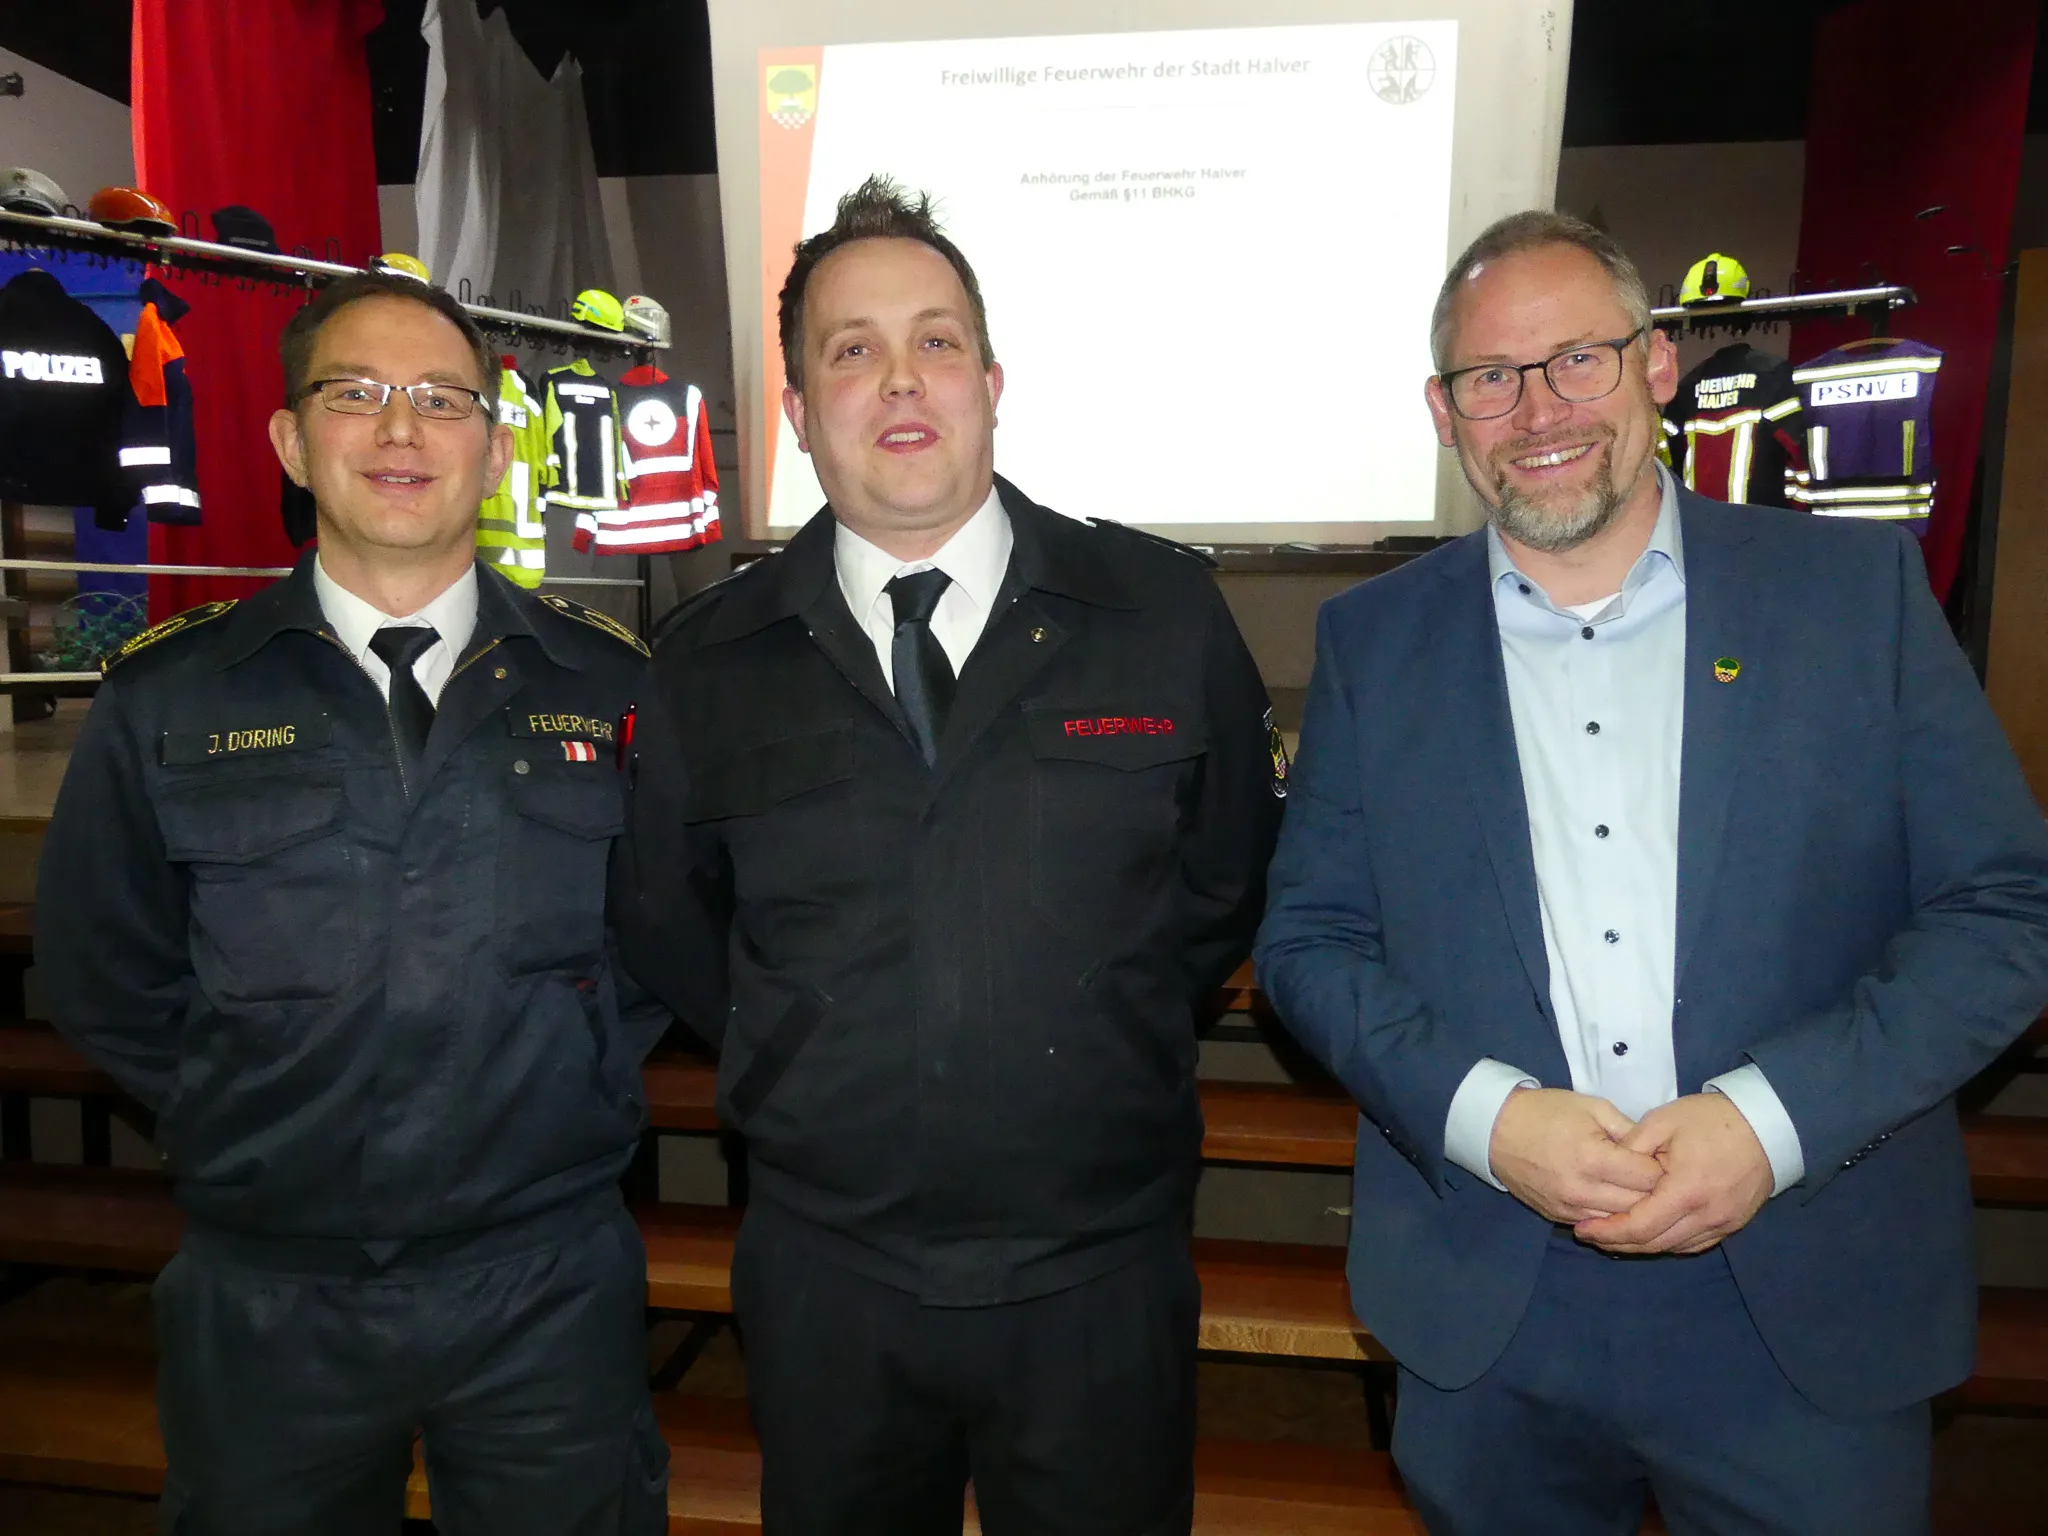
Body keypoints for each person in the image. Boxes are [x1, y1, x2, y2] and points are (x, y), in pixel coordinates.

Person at [1254, 211, 2048, 1535]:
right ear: (1444, 414)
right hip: (1492, 1302)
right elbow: (1309, 945)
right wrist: (1492, 1121)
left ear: (1655, 365)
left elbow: (2004, 913)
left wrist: (1767, 1123)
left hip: (1803, 1290)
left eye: (1577, 358)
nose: (1538, 411)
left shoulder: (1853, 597)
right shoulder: (1372, 645)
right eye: (1490, 378)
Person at [614, 175, 1282, 1535]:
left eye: (935, 340)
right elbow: (674, 924)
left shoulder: (1158, 614)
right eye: (850, 350)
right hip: (830, 1274)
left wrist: (1087, 1018)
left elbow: (1223, 881)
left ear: (990, 381)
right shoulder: (706, 665)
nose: (900, 379)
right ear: (799, 412)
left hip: (1097, 1269)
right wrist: (812, 1039)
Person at [36, 272, 668, 1536]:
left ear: (493, 450)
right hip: (268, 1287)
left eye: (440, 399)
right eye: (355, 394)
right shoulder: (171, 695)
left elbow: (658, 947)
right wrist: (244, 1109)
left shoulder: (606, 688)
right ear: (289, 440)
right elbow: (102, 967)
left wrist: (571, 1076)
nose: (398, 429)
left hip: (542, 1281)